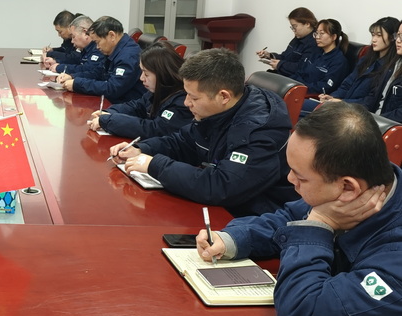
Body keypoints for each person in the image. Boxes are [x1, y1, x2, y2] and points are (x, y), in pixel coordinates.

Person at [196, 101, 402, 316]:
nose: (289, 179)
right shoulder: (362, 182)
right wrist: (234, 238)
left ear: (348, 188)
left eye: (301, 177)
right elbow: (290, 217)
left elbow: (304, 306)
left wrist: (320, 223)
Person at [111, 48, 298, 216]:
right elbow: (182, 141)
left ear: (223, 96)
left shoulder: (259, 132)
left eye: (193, 97)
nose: (186, 103)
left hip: (251, 218)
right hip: (221, 208)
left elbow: (221, 186)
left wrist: (155, 165)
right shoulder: (218, 112)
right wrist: (141, 149)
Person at [90, 41, 192, 139]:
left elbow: (154, 129)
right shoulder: (160, 89)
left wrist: (111, 121)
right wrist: (110, 113)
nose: (141, 78)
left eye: (146, 74)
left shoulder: (183, 100)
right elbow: (137, 106)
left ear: (162, 74)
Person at [303, 16, 400, 115]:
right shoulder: (366, 59)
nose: (373, 40)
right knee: (302, 105)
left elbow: (370, 102)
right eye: (373, 35)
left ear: (392, 38)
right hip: (343, 106)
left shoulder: (390, 69)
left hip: (356, 112)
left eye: (379, 35)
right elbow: (346, 84)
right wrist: (332, 97)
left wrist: (341, 102)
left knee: (303, 108)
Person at [56, 16, 145, 103]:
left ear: (112, 35)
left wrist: (77, 84)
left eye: (97, 42)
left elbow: (112, 89)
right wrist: (73, 77)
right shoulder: (113, 49)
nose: (97, 47)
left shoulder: (128, 56)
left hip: (124, 106)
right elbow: (97, 73)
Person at [290, 18, 349, 95]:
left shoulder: (339, 61)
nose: (317, 37)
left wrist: (301, 87)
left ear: (333, 37)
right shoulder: (314, 52)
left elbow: (325, 87)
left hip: (312, 95)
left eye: (321, 33)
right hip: (297, 88)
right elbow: (300, 72)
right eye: (316, 33)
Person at [257, 7, 319, 77]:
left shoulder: (315, 43)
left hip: (294, 79)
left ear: (307, 24)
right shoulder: (297, 38)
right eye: (292, 27)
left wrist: (280, 65)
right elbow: (285, 57)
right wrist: (270, 56)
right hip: (283, 75)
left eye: (295, 26)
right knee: (256, 77)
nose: (293, 30)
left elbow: (302, 68)